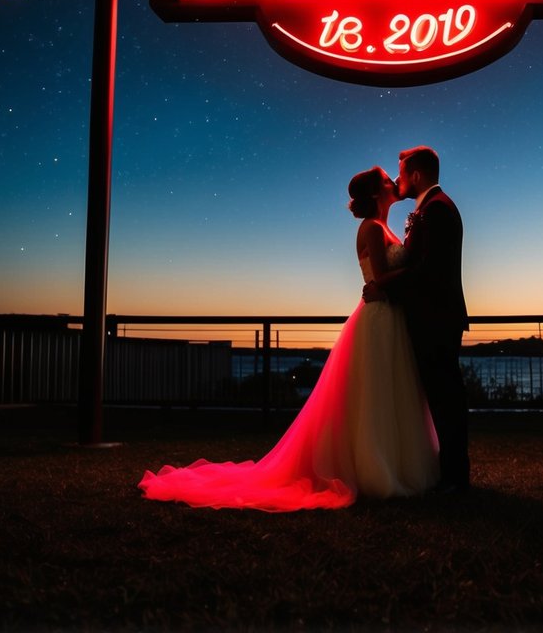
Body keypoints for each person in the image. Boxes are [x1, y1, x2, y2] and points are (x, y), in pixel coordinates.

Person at [138, 166, 439, 511]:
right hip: (378, 318)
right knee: (373, 393)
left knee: (391, 391)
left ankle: (394, 462)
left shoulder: (384, 226)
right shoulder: (371, 227)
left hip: (391, 317)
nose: (393, 183)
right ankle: (375, 469)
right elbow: (382, 275)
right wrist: (417, 271)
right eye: (388, 180)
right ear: (376, 192)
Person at [363, 145, 470, 493]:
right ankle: (450, 473)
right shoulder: (430, 208)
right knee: (440, 397)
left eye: (402, 173)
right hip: (430, 316)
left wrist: (385, 288)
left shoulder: (436, 210)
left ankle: (455, 477)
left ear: (417, 176)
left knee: (445, 397)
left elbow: (427, 271)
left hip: (436, 317)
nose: (397, 180)